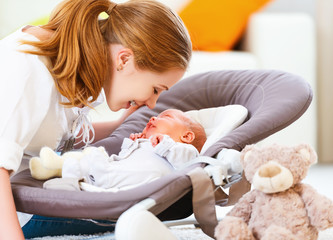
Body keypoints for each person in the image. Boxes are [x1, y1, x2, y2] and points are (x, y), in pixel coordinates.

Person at [0, 0, 192, 238]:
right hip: (15, 210)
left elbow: (55, 135)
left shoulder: (83, 68)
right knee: (148, 206)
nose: (152, 104)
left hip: (27, 191)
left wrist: (117, 125)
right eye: (155, 89)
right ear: (124, 60)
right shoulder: (28, 67)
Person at [32, 109, 207, 192]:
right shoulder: (148, 144)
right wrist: (133, 144)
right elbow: (123, 159)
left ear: (187, 137)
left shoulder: (185, 151)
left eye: (165, 117)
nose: (154, 117)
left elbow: (185, 160)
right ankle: (62, 174)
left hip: (135, 183)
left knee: (94, 159)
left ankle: (60, 166)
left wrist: (164, 143)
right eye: (157, 115)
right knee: (95, 159)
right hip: (118, 172)